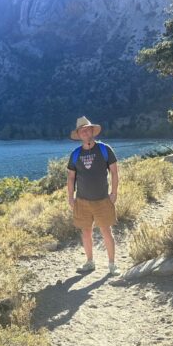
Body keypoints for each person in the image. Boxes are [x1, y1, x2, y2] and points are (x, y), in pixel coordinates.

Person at [66, 116, 120, 275]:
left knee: (106, 231)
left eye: (87, 129)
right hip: (82, 201)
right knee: (86, 232)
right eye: (81, 131)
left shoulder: (104, 149)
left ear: (92, 131)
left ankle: (112, 265)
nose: (85, 132)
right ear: (79, 134)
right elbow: (70, 177)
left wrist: (114, 192)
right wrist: (70, 197)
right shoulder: (75, 154)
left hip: (103, 199)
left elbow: (115, 172)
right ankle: (90, 262)